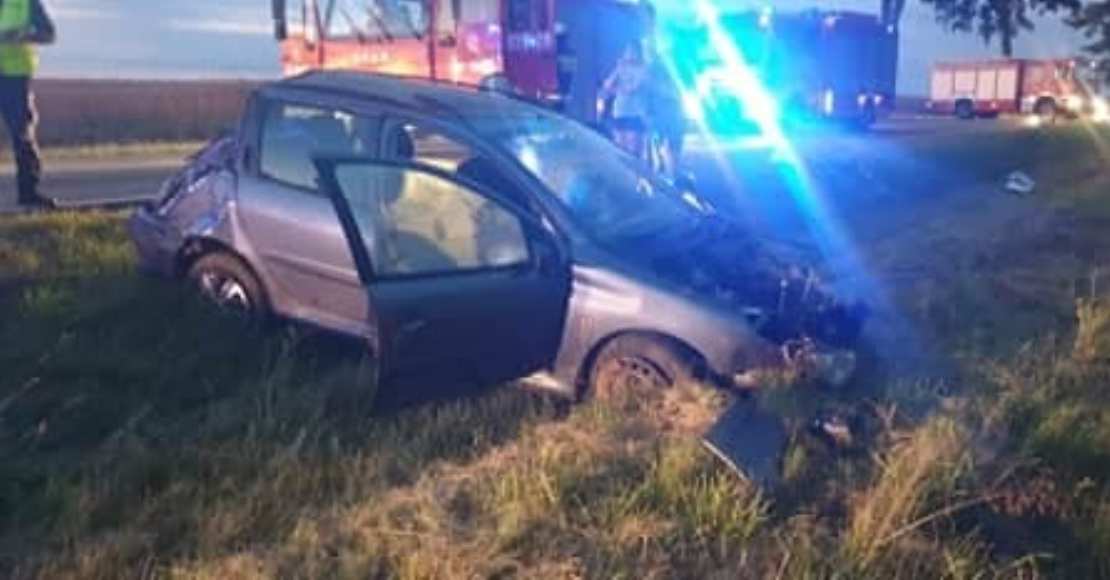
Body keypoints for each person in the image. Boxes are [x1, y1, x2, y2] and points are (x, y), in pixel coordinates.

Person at [0, 0, 54, 209]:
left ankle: (28, 193)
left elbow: (48, 34)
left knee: (22, 134)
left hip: (15, 75)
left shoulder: (26, 2)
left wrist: (22, 35)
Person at [640, 2, 686, 179]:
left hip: (668, 106)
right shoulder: (652, 52)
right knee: (659, 145)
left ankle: (671, 176)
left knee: (671, 145)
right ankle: (666, 175)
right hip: (660, 106)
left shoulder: (667, 57)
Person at [599, 42, 650, 159]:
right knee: (620, 149)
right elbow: (607, 85)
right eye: (627, 51)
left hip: (636, 113)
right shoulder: (621, 67)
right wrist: (617, 70)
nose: (629, 54)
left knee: (634, 151)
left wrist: (616, 90)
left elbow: (632, 88)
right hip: (620, 111)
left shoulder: (643, 68)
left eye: (632, 51)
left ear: (638, 53)